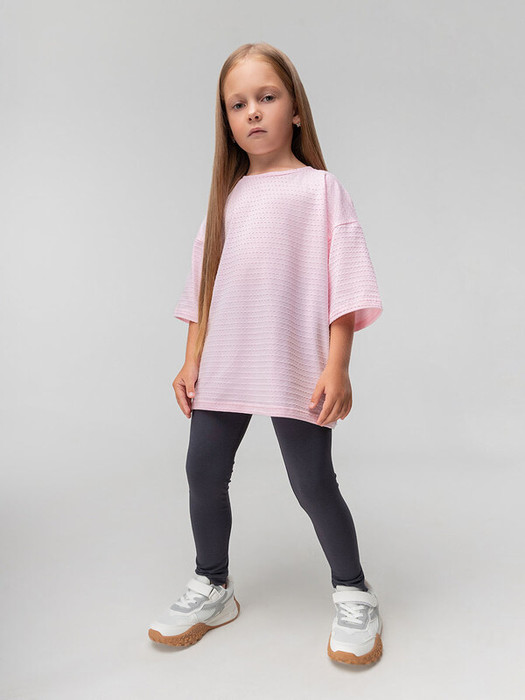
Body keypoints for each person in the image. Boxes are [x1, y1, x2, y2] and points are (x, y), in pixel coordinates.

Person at [148, 42, 384, 666]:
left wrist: (338, 365)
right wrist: (191, 359)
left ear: (295, 109)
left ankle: (354, 591)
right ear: (226, 120)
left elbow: (344, 283)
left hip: (294, 363)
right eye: (238, 104)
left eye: (267, 97)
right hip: (225, 361)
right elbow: (204, 286)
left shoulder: (320, 190)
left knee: (312, 482)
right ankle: (212, 585)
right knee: (203, 471)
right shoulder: (225, 199)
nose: (252, 111)